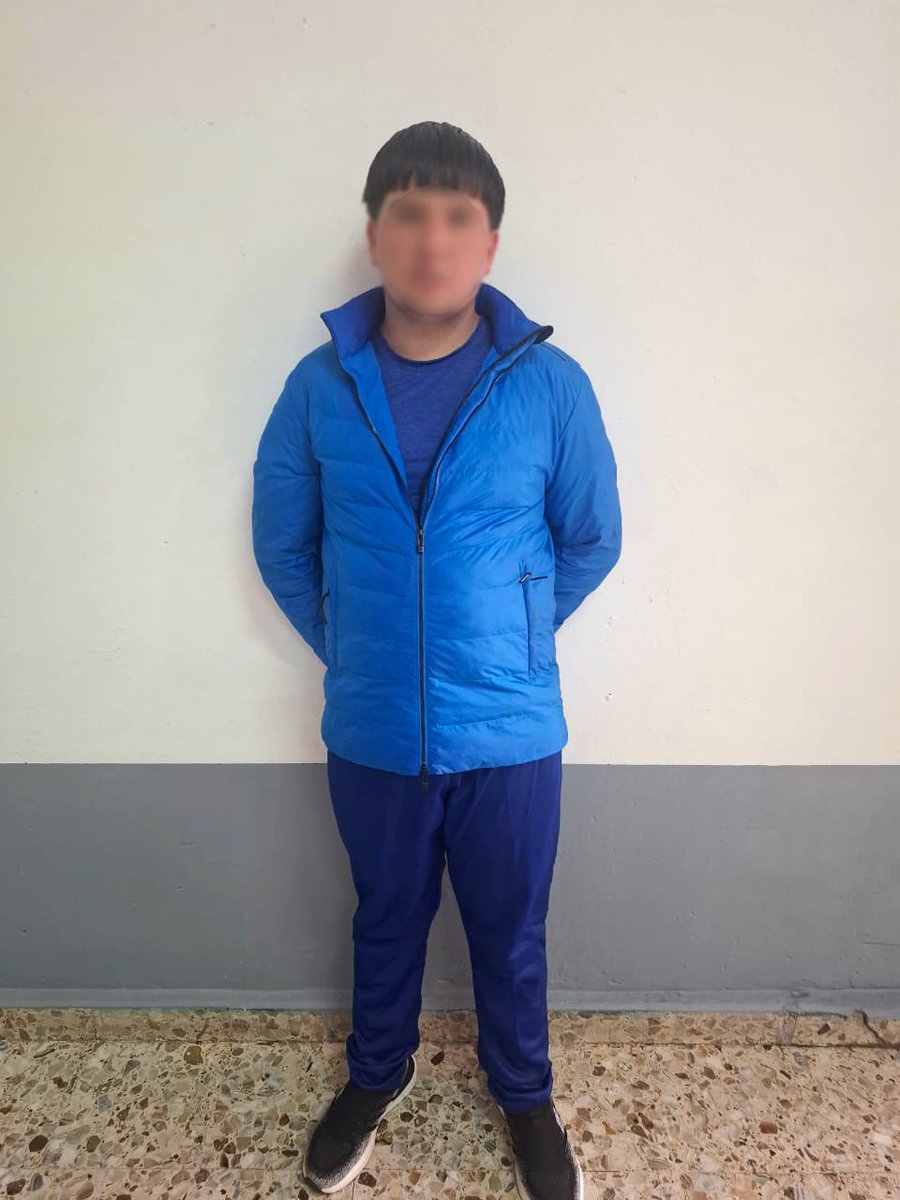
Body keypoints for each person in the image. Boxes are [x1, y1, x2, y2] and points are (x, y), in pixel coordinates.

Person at [252, 120, 622, 1200]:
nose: (433, 240)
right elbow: (284, 546)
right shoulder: (319, 386)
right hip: (373, 729)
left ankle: (525, 1095)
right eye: (410, 214)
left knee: (511, 932)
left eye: (459, 218)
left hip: (511, 730)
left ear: (489, 244)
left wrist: (514, 637)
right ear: (376, 235)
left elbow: (592, 537)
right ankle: (377, 1074)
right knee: (385, 918)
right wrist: (361, 650)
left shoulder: (550, 386)